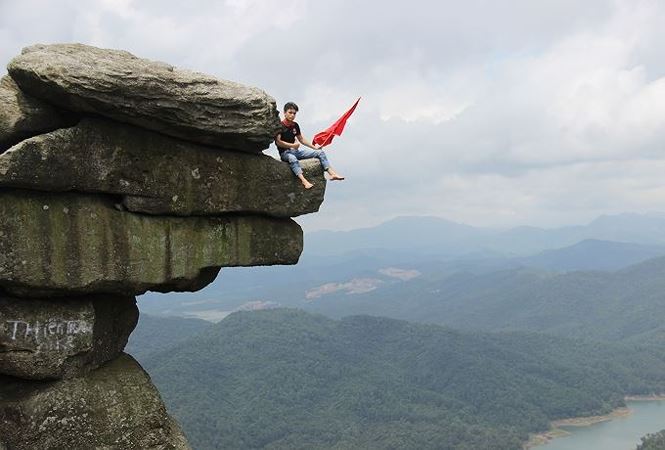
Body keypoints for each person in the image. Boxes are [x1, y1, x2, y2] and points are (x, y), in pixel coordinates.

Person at [275, 102, 345, 189]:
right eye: (290, 112)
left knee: (320, 153)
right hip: (285, 153)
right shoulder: (280, 126)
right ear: (284, 113)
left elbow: (301, 139)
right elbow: (278, 142)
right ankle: (304, 181)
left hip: (296, 151)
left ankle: (332, 173)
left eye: (294, 113)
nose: (292, 115)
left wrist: (314, 147)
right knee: (293, 159)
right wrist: (292, 145)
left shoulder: (295, 125)